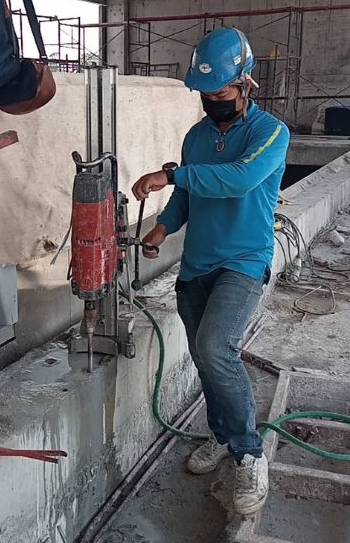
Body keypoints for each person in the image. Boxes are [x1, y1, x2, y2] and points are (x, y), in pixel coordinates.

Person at [132, 27, 290, 515]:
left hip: (243, 261)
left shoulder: (270, 133)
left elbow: (238, 180)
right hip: (197, 263)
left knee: (216, 347)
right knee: (207, 359)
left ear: (245, 84)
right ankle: (222, 436)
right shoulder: (196, 138)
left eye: (220, 94)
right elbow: (187, 195)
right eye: (205, 95)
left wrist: (169, 174)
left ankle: (249, 453)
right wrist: (162, 228)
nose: (212, 103)